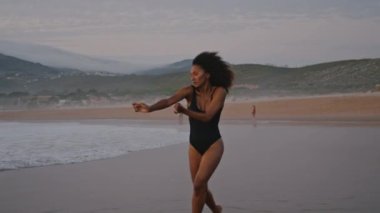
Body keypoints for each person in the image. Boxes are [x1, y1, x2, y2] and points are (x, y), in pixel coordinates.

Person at [132, 51, 233, 213]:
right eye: (190, 74)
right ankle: (215, 209)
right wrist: (150, 108)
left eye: (196, 74)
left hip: (213, 144)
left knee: (199, 184)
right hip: (194, 145)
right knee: (198, 186)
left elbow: (207, 116)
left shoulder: (219, 92)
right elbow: (168, 100)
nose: (192, 77)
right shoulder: (189, 91)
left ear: (207, 75)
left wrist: (184, 111)